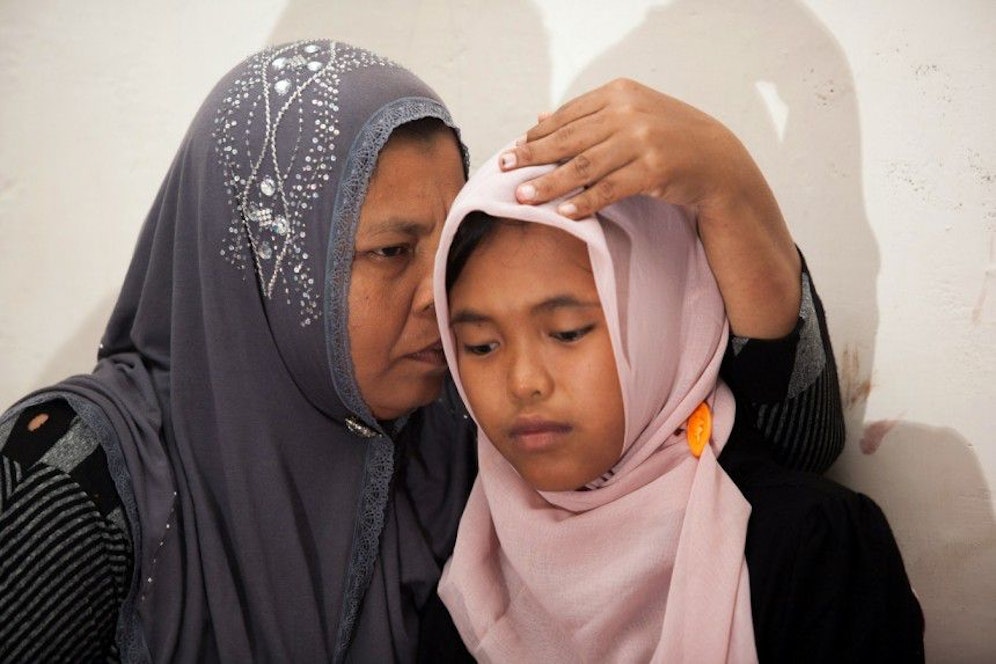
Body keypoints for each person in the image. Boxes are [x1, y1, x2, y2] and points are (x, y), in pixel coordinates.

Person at [0, 41, 841, 662]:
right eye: (392, 252)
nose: (439, 301)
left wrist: (730, 192)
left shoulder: (452, 431)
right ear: (266, 272)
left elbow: (780, 456)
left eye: (442, 259)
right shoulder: (74, 475)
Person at [433, 147, 924, 662]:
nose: (523, 382)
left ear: (663, 325)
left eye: (568, 332)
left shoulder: (811, 545)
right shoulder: (472, 573)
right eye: (481, 346)